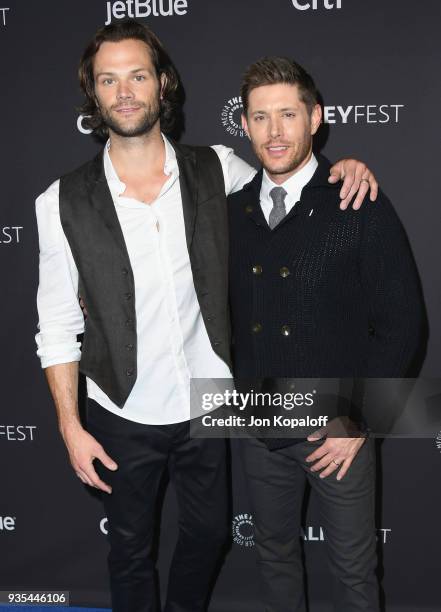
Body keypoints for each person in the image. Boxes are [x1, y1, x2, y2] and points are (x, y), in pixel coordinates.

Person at [35, 19, 378, 612]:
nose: (124, 91)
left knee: (210, 535)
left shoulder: (217, 167)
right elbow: (57, 323)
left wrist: (344, 167)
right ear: (94, 94)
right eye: (108, 80)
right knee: (130, 551)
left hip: (210, 402)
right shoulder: (58, 202)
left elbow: (294, 182)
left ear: (162, 83)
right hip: (121, 408)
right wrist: (70, 425)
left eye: (138, 75)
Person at [227, 56, 425, 611]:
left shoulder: (357, 201)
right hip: (259, 419)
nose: (274, 132)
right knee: (273, 557)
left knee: (355, 572)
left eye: (287, 114)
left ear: (315, 117)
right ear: (244, 125)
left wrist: (360, 421)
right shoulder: (230, 212)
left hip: (337, 425)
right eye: (260, 117)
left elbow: (404, 324)